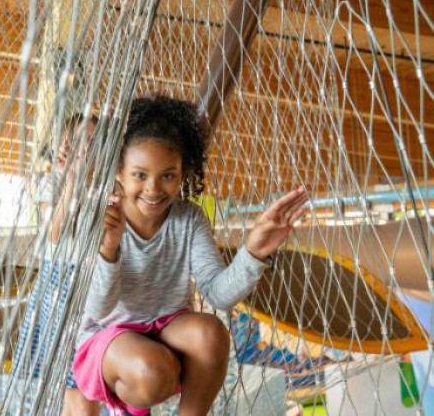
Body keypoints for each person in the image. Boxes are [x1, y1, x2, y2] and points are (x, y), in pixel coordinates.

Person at [71, 95, 308, 416]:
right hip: (109, 339)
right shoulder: (102, 218)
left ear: (183, 173)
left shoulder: (189, 219)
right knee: (154, 372)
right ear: (120, 172)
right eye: (140, 175)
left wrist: (255, 250)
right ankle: (128, 406)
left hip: (167, 329)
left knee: (212, 333)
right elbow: (98, 310)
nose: (153, 189)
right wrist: (109, 251)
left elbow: (219, 294)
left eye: (167, 175)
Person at [12, 113, 101, 416]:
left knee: (80, 384)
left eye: (92, 141)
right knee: (57, 380)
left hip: (90, 286)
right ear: (65, 146)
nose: (85, 147)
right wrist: (72, 182)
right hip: (55, 285)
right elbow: (55, 231)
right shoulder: (52, 182)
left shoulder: (104, 190)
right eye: (78, 140)